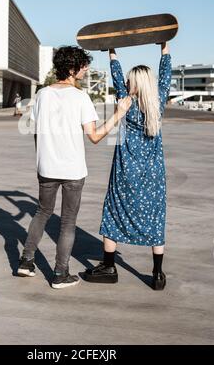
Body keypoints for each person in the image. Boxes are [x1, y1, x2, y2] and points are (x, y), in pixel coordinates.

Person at [18, 46, 132, 289]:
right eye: (83, 65)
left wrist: (41, 158)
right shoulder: (81, 97)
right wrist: (118, 114)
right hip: (72, 170)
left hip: (46, 166)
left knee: (42, 212)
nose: (87, 68)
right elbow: (95, 136)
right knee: (68, 222)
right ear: (71, 69)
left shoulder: (42, 94)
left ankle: (26, 261)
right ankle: (60, 274)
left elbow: (36, 131)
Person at [84, 43, 172, 291]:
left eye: (129, 80)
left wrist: (112, 50)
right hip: (154, 175)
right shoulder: (159, 103)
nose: (125, 82)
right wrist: (165, 47)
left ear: (135, 84)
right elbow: (166, 74)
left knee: (113, 212)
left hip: (125, 171)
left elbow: (115, 73)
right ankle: (157, 273)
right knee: (156, 218)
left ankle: (109, 267)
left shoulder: (126, 102)